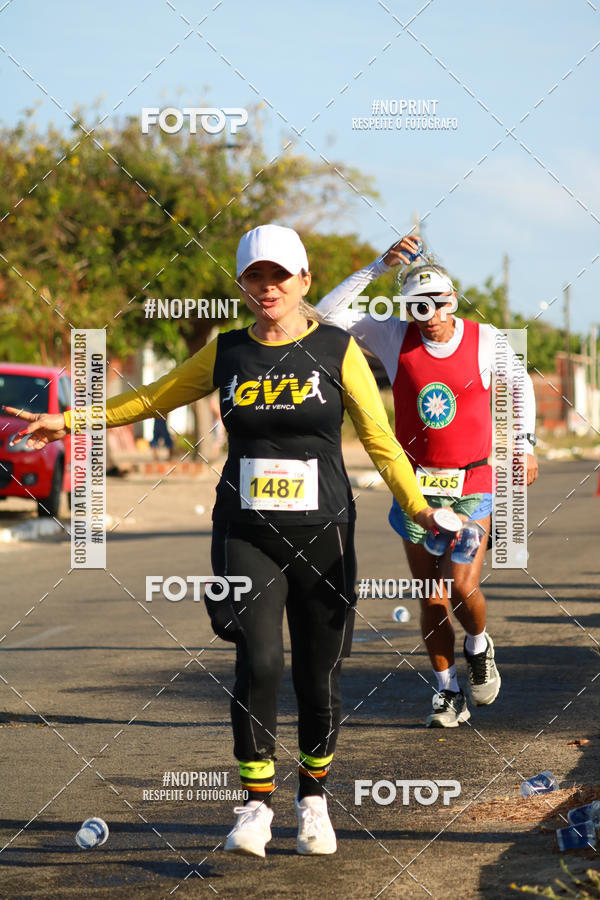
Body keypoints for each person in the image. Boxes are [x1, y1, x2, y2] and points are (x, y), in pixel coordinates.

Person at [4, 224, 436, 857]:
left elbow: (380, 441)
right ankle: (255, 807)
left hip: (325, 536)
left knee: (319, 674)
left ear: (305, 281)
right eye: (255, 277)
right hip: (245, 532)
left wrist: (421, 509)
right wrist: (67, 420)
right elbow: (150, 400)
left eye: (279, 276)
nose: (268, 288)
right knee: (258, 660)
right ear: (242, 285)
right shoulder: (226, 352)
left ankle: (313, 800)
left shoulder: (338, 350)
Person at [316, 236, 539, 728]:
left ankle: (479, 643)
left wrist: (524, 443)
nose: (430, 313)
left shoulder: (486, 339)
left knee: (461, 585)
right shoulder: (394, 336)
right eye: (419, 305)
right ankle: (447, 691)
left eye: (438, 302)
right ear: (408, 307)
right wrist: (380, 265)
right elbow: (325, 315)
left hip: (474, 481)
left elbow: (520, 383)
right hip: (414, 488)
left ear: (452, 299)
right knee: (432, 594)